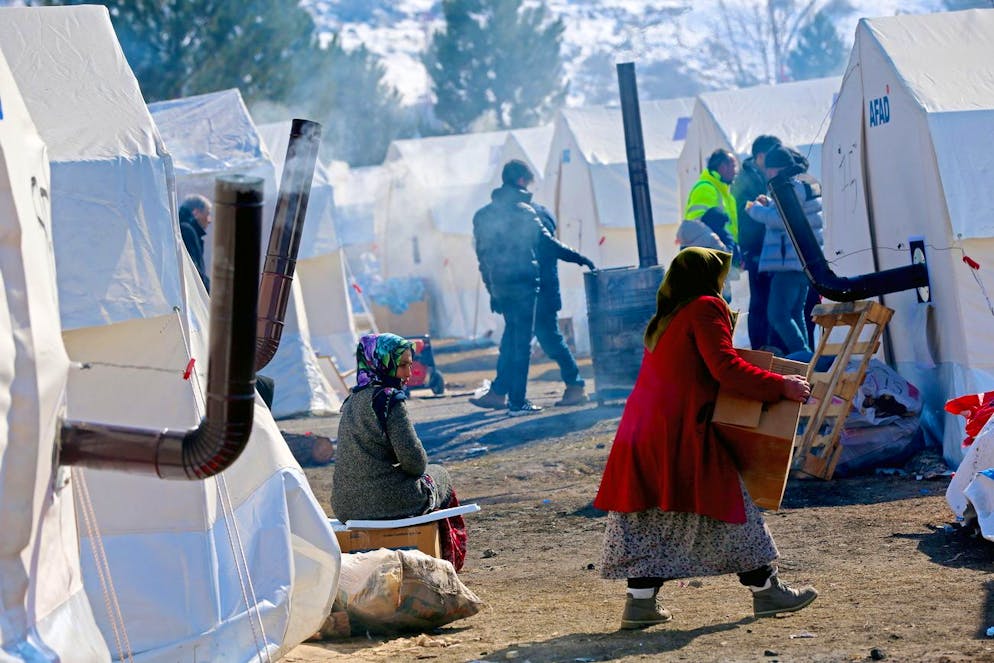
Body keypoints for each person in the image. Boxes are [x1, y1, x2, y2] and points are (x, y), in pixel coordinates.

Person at [593, 247, 817, 630]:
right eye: (720, 274)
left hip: (644, 429)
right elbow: (724, 367)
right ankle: (767, 591)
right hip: (681, 429)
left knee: (649, 516)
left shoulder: (667, 316)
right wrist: (781, 385)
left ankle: (640, 605)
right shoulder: (705, 307)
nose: (723, 283)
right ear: (705, 276)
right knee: (730, 504)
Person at [331, 333, 467, 569]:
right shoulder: (388, 399)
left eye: (410, 365)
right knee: (439, 474)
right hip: (388, 502)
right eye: (401, 365)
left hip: (345, 506)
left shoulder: (351, 401)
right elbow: (415, 463)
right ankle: (447, 563)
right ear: (383, 363)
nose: (407, 373)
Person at [470, 160, 594, 416]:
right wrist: (580, 258)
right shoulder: (528, 212)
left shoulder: (488, 215)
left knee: (541, 339)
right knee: (518, 343)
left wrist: (493, 289)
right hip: (531, 288)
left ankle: (572, 385)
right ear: (522, 182)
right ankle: (509, 395)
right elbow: (549, 248)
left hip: (530, 289)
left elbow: (484, 259)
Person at [745, 146, 824, 356]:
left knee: (777, 314)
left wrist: (755, 210)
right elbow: (789, 212)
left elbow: (781, 220)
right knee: (795, 313)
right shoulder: (801, 183)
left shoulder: (790, 187)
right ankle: (804, 358)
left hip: (788, 262)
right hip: (801, 261)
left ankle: (804, 356)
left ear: (773, 169)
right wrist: (769, 203)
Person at [731, 135, 783, 351]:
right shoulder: (746, 179)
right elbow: (746, 214)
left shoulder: (760, 174)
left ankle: (772, 348)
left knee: (773, 302)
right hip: (757, 250)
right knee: (761, 302)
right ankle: (762, 349)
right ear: (760, 156)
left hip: (770, 249)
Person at [178, 194, 212, 292]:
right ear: (196, 212)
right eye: (207, 214)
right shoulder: (186, 231)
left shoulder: (183, 230)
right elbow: (194, 271)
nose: (209, 220)